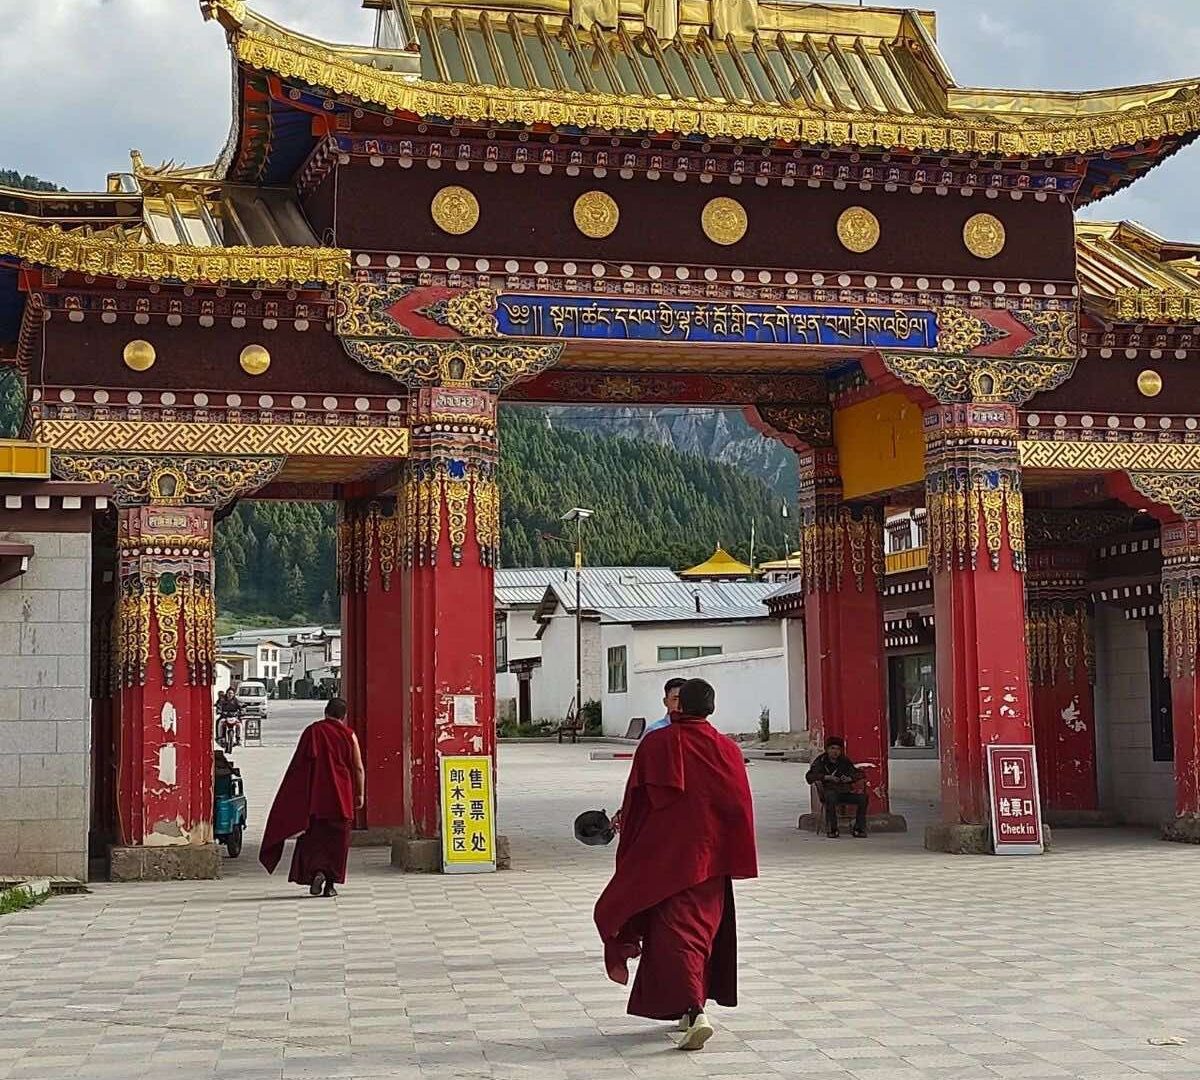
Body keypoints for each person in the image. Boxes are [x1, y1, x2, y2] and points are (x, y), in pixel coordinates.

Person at [594, 678, 757, 1052]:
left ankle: (696, 1010)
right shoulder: (728, 749)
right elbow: (738, 807)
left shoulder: (657, 743)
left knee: (677, 937)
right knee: (701, 934)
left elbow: (637, 803)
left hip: (668, 859)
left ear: (679, 706)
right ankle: (689, 1007)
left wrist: (631, 848)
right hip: (712, 861)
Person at [260, 698, 364, 897]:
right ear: (344, 717)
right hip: (341, 797)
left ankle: (316, 872)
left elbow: (299, 767)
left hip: (316, 798)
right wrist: (360, 793)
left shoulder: (312, 732)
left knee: (314, 840)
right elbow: (358, 767)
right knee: (337, 842)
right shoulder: (348, 735)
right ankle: (330, 884)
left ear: (325, 712)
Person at [805, 736, 868, 838]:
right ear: (827, 749)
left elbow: (859, 774)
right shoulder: (821, 761)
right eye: (832, 748)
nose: (835, 752)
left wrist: (849, 778)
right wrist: (826, 777)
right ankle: (832, 829)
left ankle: (859, 829)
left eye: (838, 749)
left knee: (863, 798)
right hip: (829, 793)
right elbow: (809, 777)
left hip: (844, 792)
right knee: (831, 797)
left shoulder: (844, 761)